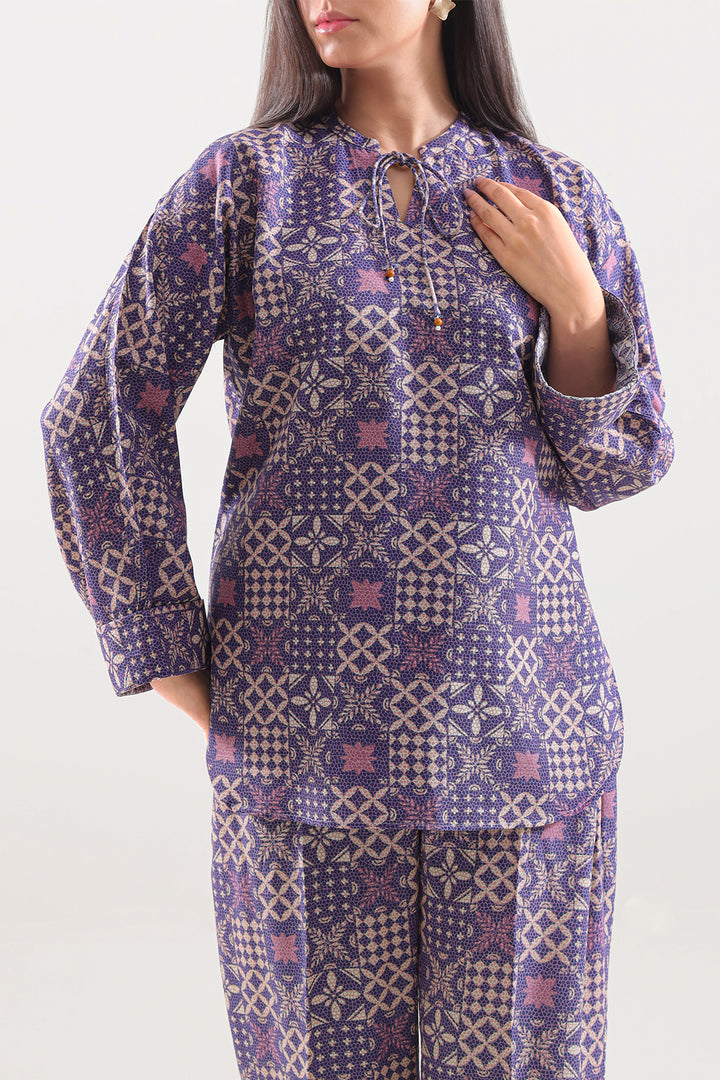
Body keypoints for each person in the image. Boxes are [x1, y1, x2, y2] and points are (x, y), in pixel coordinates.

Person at [39, 0, 675, 1076]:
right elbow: (95, 418)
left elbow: (618, 464)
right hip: (301, 759)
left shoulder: (554, 193)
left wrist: (575, 308)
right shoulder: (243, 187)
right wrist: (169, 659)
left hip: (528, 741)